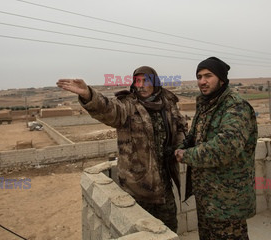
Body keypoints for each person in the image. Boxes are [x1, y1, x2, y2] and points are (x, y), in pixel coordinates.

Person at [57, 66, 187, 232]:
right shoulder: (128, 106)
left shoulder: (168, 104)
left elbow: (180, 129)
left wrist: (180, 148)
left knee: (169, 230)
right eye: (137, 81)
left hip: (165, 189)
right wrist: (88, 94)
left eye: (145, 80)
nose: (140, 85)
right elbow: (110, 110)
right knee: (141, 234)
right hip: (138, 189)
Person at [175, 57, 258, 240]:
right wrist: (180, 147)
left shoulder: (235, 107)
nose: (202, 81)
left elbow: (225, 148)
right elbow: (193, 138)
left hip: (228, 201)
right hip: (207, 198)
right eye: (199, 76)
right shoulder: (207, 105)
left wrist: (186, 155)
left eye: (208, 76)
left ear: (221, 79)